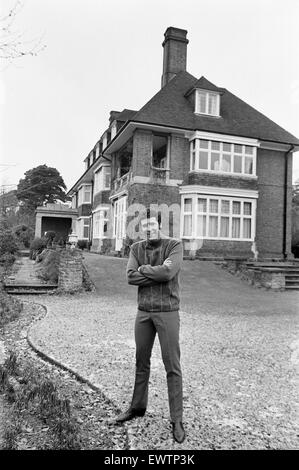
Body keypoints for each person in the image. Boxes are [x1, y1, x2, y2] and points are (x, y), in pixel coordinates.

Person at [115, 208, 185, 444]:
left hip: (167, 312)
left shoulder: (174, 246)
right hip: (144, 312)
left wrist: (143, 270)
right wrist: (150, 271)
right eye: (144, 225)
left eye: (152, 224)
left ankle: (176, 419)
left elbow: (168, 273)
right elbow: (130, 277)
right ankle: (137, 407)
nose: (148, 229)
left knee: (172, 365)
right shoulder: (136, 249)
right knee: (141, 361)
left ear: (159, 225)